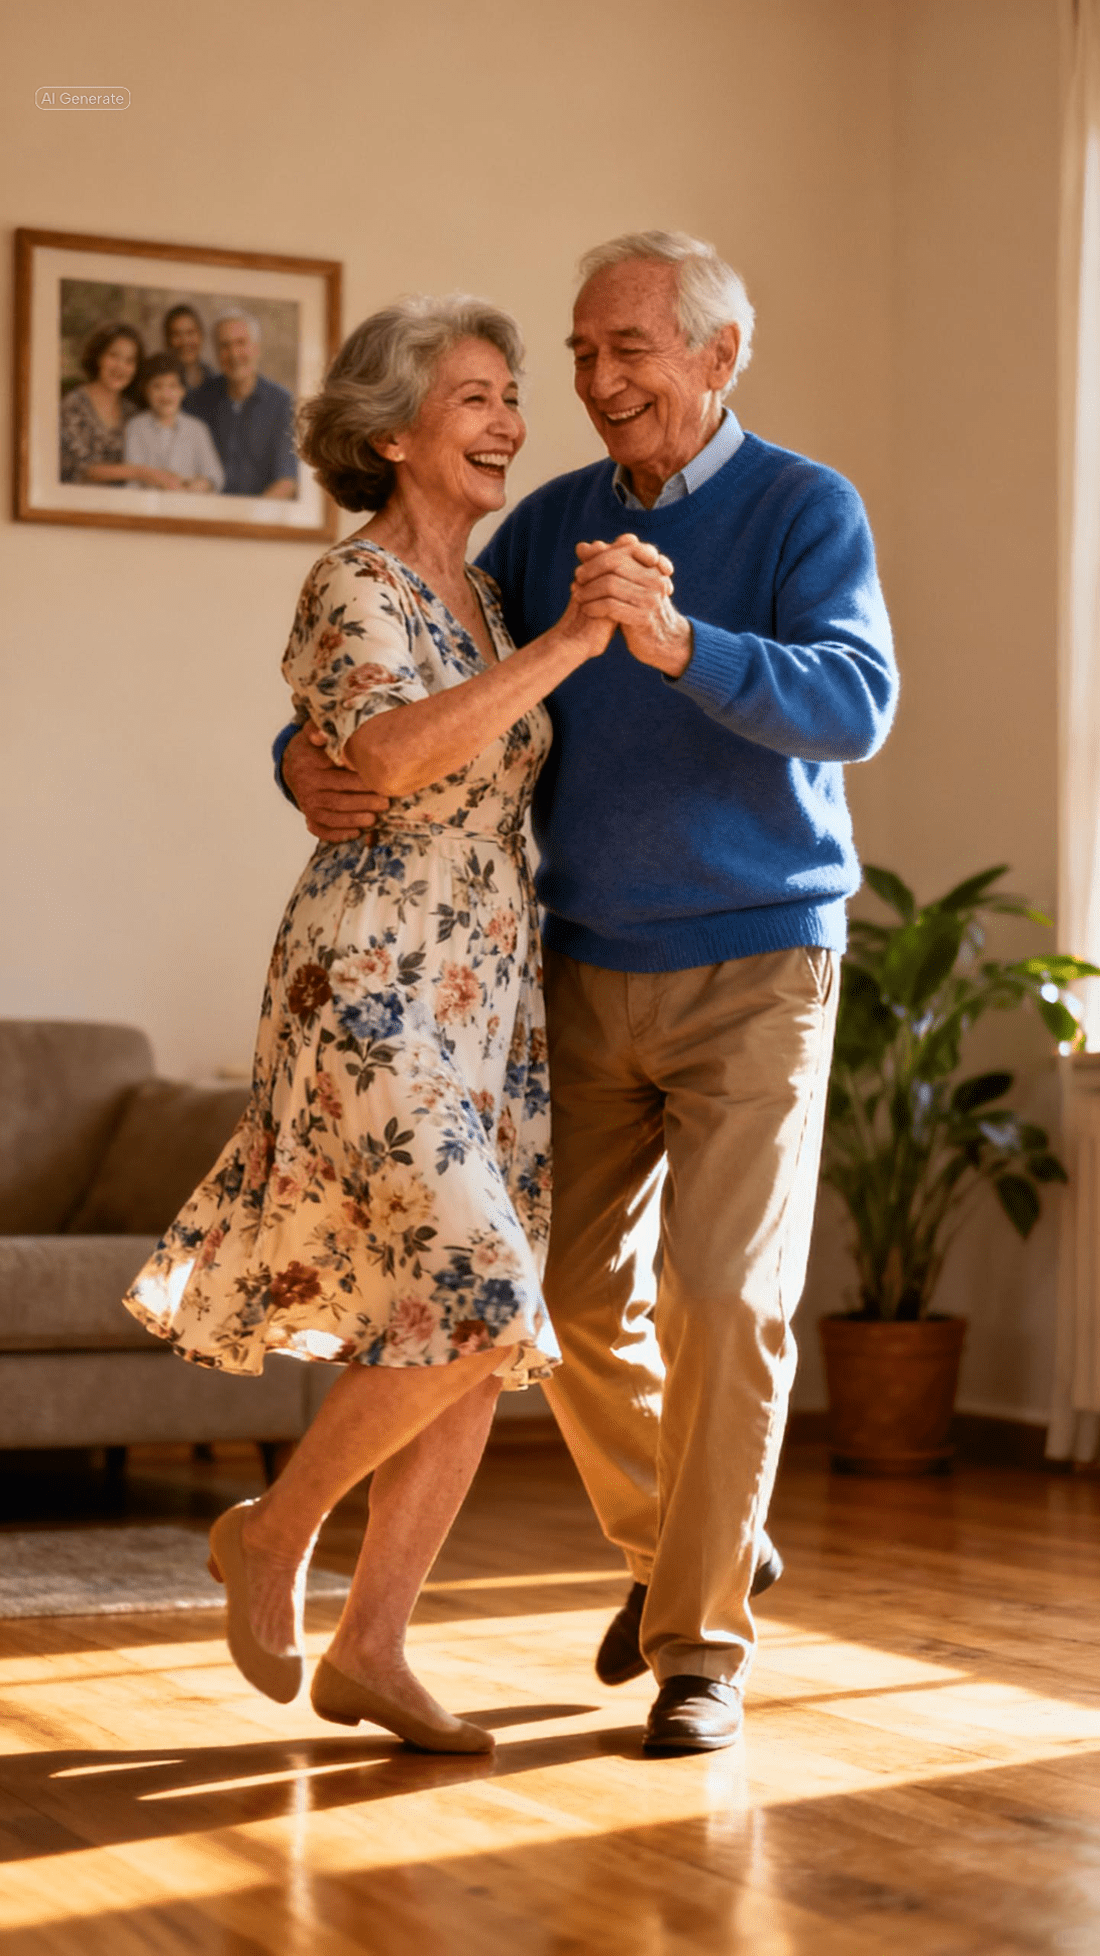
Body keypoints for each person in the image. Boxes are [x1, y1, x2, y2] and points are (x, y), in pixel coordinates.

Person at [281, 231, 899, 1757]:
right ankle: (693, 1540)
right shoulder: (548, 523)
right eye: (581, 354)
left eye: (630, 349)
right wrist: (295, 762)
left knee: (721, 1296)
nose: (597, 382)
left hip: (760, 959)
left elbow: (858, 701)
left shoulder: (806, 506)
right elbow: (407, 672)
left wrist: (678, 637)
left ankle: (699, 1652)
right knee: (550, 1300)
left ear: (716, 357)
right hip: (577, 967)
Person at [122, 294, 623, 1754]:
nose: (511, 419)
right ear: (396, 431)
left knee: (459, 1328)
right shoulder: (353, 585)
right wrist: (571, 646)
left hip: (488, 998)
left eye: (513, 394)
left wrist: (561, 637)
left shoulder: (497, 597)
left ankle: (377, 1649)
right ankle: (275, 1534)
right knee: (480, 1286)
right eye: (475, 396)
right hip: (373, 981)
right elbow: (389, 752)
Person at [59, 322, 186, 489]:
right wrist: (142, 473)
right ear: (99, 357)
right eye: (113, 356)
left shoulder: (132, 412)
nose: (121, 367)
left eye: (129, 361)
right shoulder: (73, 405)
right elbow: (83, 469)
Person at [184, 310, 297, 497]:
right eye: (224, 346)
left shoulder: (282, 404)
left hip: (260, 514)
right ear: (216, 353)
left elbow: (287, 481)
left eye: (241, 343)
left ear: (256, 348)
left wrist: (252, 519)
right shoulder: (198, 400)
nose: (234, 354)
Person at [123, 354, 225, 493]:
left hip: (189, 506)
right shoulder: (135, 427)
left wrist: (197, 486)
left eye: (173, 386)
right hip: (147, 507)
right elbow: (133, 480)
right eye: (157, 386)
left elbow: (215, 476)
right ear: (146, 390)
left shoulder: (197, 429)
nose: (165, 394)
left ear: (183, 391)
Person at [163, 303, 214, 391]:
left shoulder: (213, 380)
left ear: (201, 336)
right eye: (176, 334)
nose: (185, 341)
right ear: (167, 340)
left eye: (190, 333)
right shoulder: (159, 381)